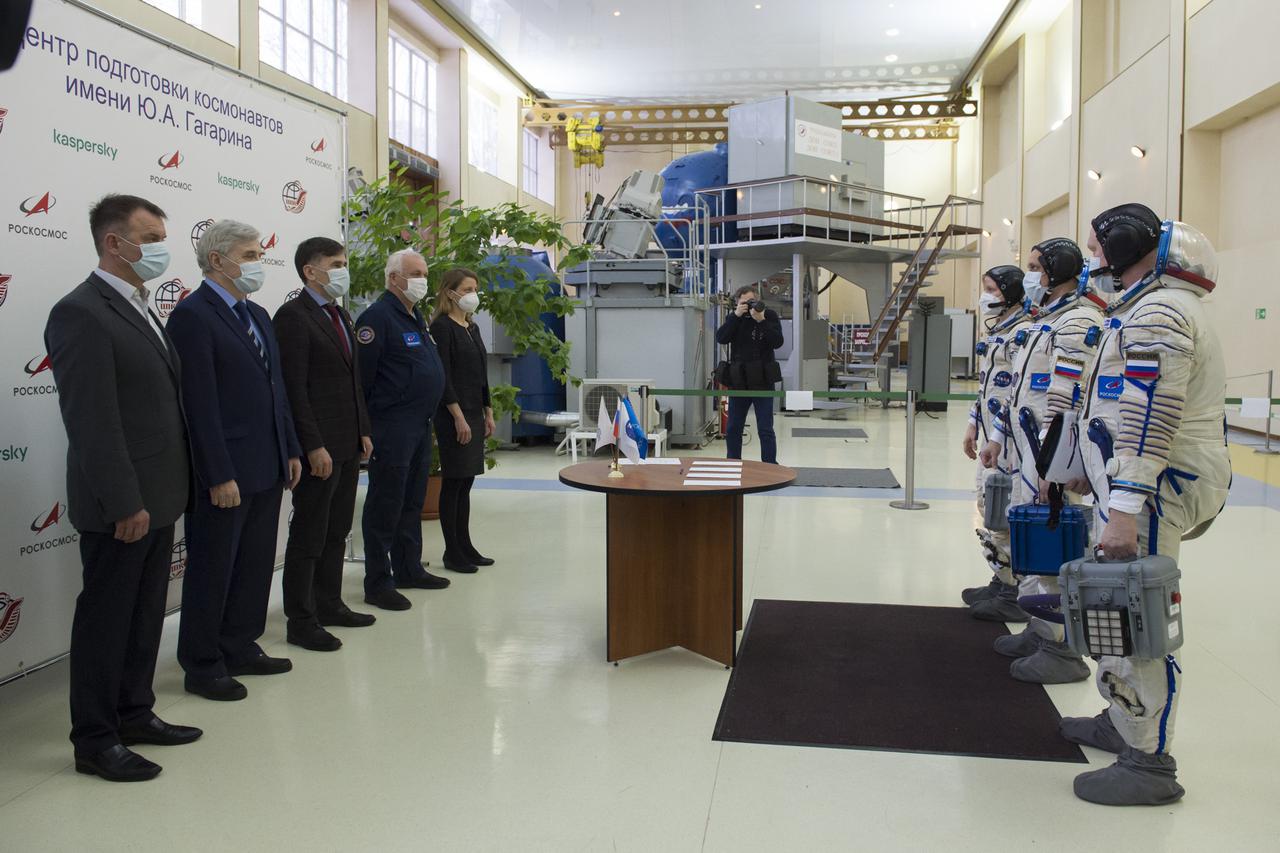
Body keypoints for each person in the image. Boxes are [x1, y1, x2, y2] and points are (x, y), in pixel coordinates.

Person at [1055, 207, 1230, 806]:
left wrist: (1127, 503)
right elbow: (1110, 404)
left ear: (1126, 245)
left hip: (1153, 487)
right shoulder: (1146, 307)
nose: (1091, 259)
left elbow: (1152, 413)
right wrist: (1091, 468)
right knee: (1113, 608)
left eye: (1096, 247)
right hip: (1135, 483)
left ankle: (1150, 761)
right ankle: (1123, 720)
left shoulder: (1160, 312)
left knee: (1135, 616)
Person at [44, 194, 201, 782]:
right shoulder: (81, 312)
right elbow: (93, 421)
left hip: (159, 494)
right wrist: (123, 501)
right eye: (151, 237)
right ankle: (95, 739)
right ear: (115, 243)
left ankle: (134, 712)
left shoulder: (141, 306)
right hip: (123, 504)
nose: (161, 248)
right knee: (107, 622)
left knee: (144, 615)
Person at [167, 220, 302, 702]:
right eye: (249, 256)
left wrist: (290, 446)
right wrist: (217, 473)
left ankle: (241, 644)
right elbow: (198, 405)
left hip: (267, 461)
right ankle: (203, 663)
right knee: (214, 568)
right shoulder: (192, 316)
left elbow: (275, 388)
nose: (258, 263)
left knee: (255, 564)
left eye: (258, 254)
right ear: (217, 260)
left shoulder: (258, 314)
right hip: (225, 470)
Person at [978, 239, 1105, 683]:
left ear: (1058, 269)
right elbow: (1015, 392)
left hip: (1049, 453)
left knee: (1052, 546)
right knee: (1028, 538)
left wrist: (1058, 465)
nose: (1030, 273)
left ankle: (1061, 648)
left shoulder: (1077, 321)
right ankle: (1040, 627)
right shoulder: (1044, 321)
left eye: (1036, 266)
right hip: (1026, 449)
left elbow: (1066, 399)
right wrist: (998, 436)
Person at [273, 237, 377, 652]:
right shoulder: (292, 317)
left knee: (337, 530)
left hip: (348, 441)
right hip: (319, 446)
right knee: (310, 533)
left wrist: (363, 429)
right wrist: (311, 445)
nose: (343, 271)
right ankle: (301, 619)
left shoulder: (340, 314)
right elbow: (294, 389)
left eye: (343, 263)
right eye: (336, 264)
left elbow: (352, 381)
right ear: (310, 271)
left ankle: (330, 603)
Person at [355, 249, 450, 611]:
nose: (423, 280)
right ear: (394, 278)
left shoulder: (415, 316)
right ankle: (378, 582)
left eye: (424, 273)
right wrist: (365, 428)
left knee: (411, 501)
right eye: (415, 274)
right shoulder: (377, 318)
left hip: (419, 424)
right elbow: (362, 380)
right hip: (391, 425)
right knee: (385, 503)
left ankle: (409, 568)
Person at [961, 265, 1030, 620]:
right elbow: (986, 387)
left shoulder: (1023, 332)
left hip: (1010, 443)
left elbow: (1016, 394)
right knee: (987, 506)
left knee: (1003, 511)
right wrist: (973, 424)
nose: (985, 295)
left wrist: (999, 436)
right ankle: (1000, 577)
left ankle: (1014, 591)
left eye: (991, 289)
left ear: (1010, 292)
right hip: (990, 437)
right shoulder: (998, 330)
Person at [428, 268, 496, 573]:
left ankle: (465, 545)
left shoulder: (472, 326)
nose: (473, 295)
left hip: (473, 411)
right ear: (450, 292)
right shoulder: (442, 328)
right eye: (467, 289)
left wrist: (488, 411)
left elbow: (482, 374)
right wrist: (457, 416)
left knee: (466, 481)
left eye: (475, 289)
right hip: (453, 414)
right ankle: (452, 551)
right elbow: (443, 375)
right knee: (454, 481)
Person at [716, 285, 783, 464]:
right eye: (743, 302)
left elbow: (778, 342)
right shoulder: (735, 318)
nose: (748, 306)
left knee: (765, 428)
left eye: (751, 301)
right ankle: (733, 463)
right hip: (739, 381)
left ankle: (769, 466)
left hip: (763, 381)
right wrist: (735, 316)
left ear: (758, 301)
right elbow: (721, 338)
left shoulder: (769, 316)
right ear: (737, 303)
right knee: (733, 428)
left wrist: (761, 320)